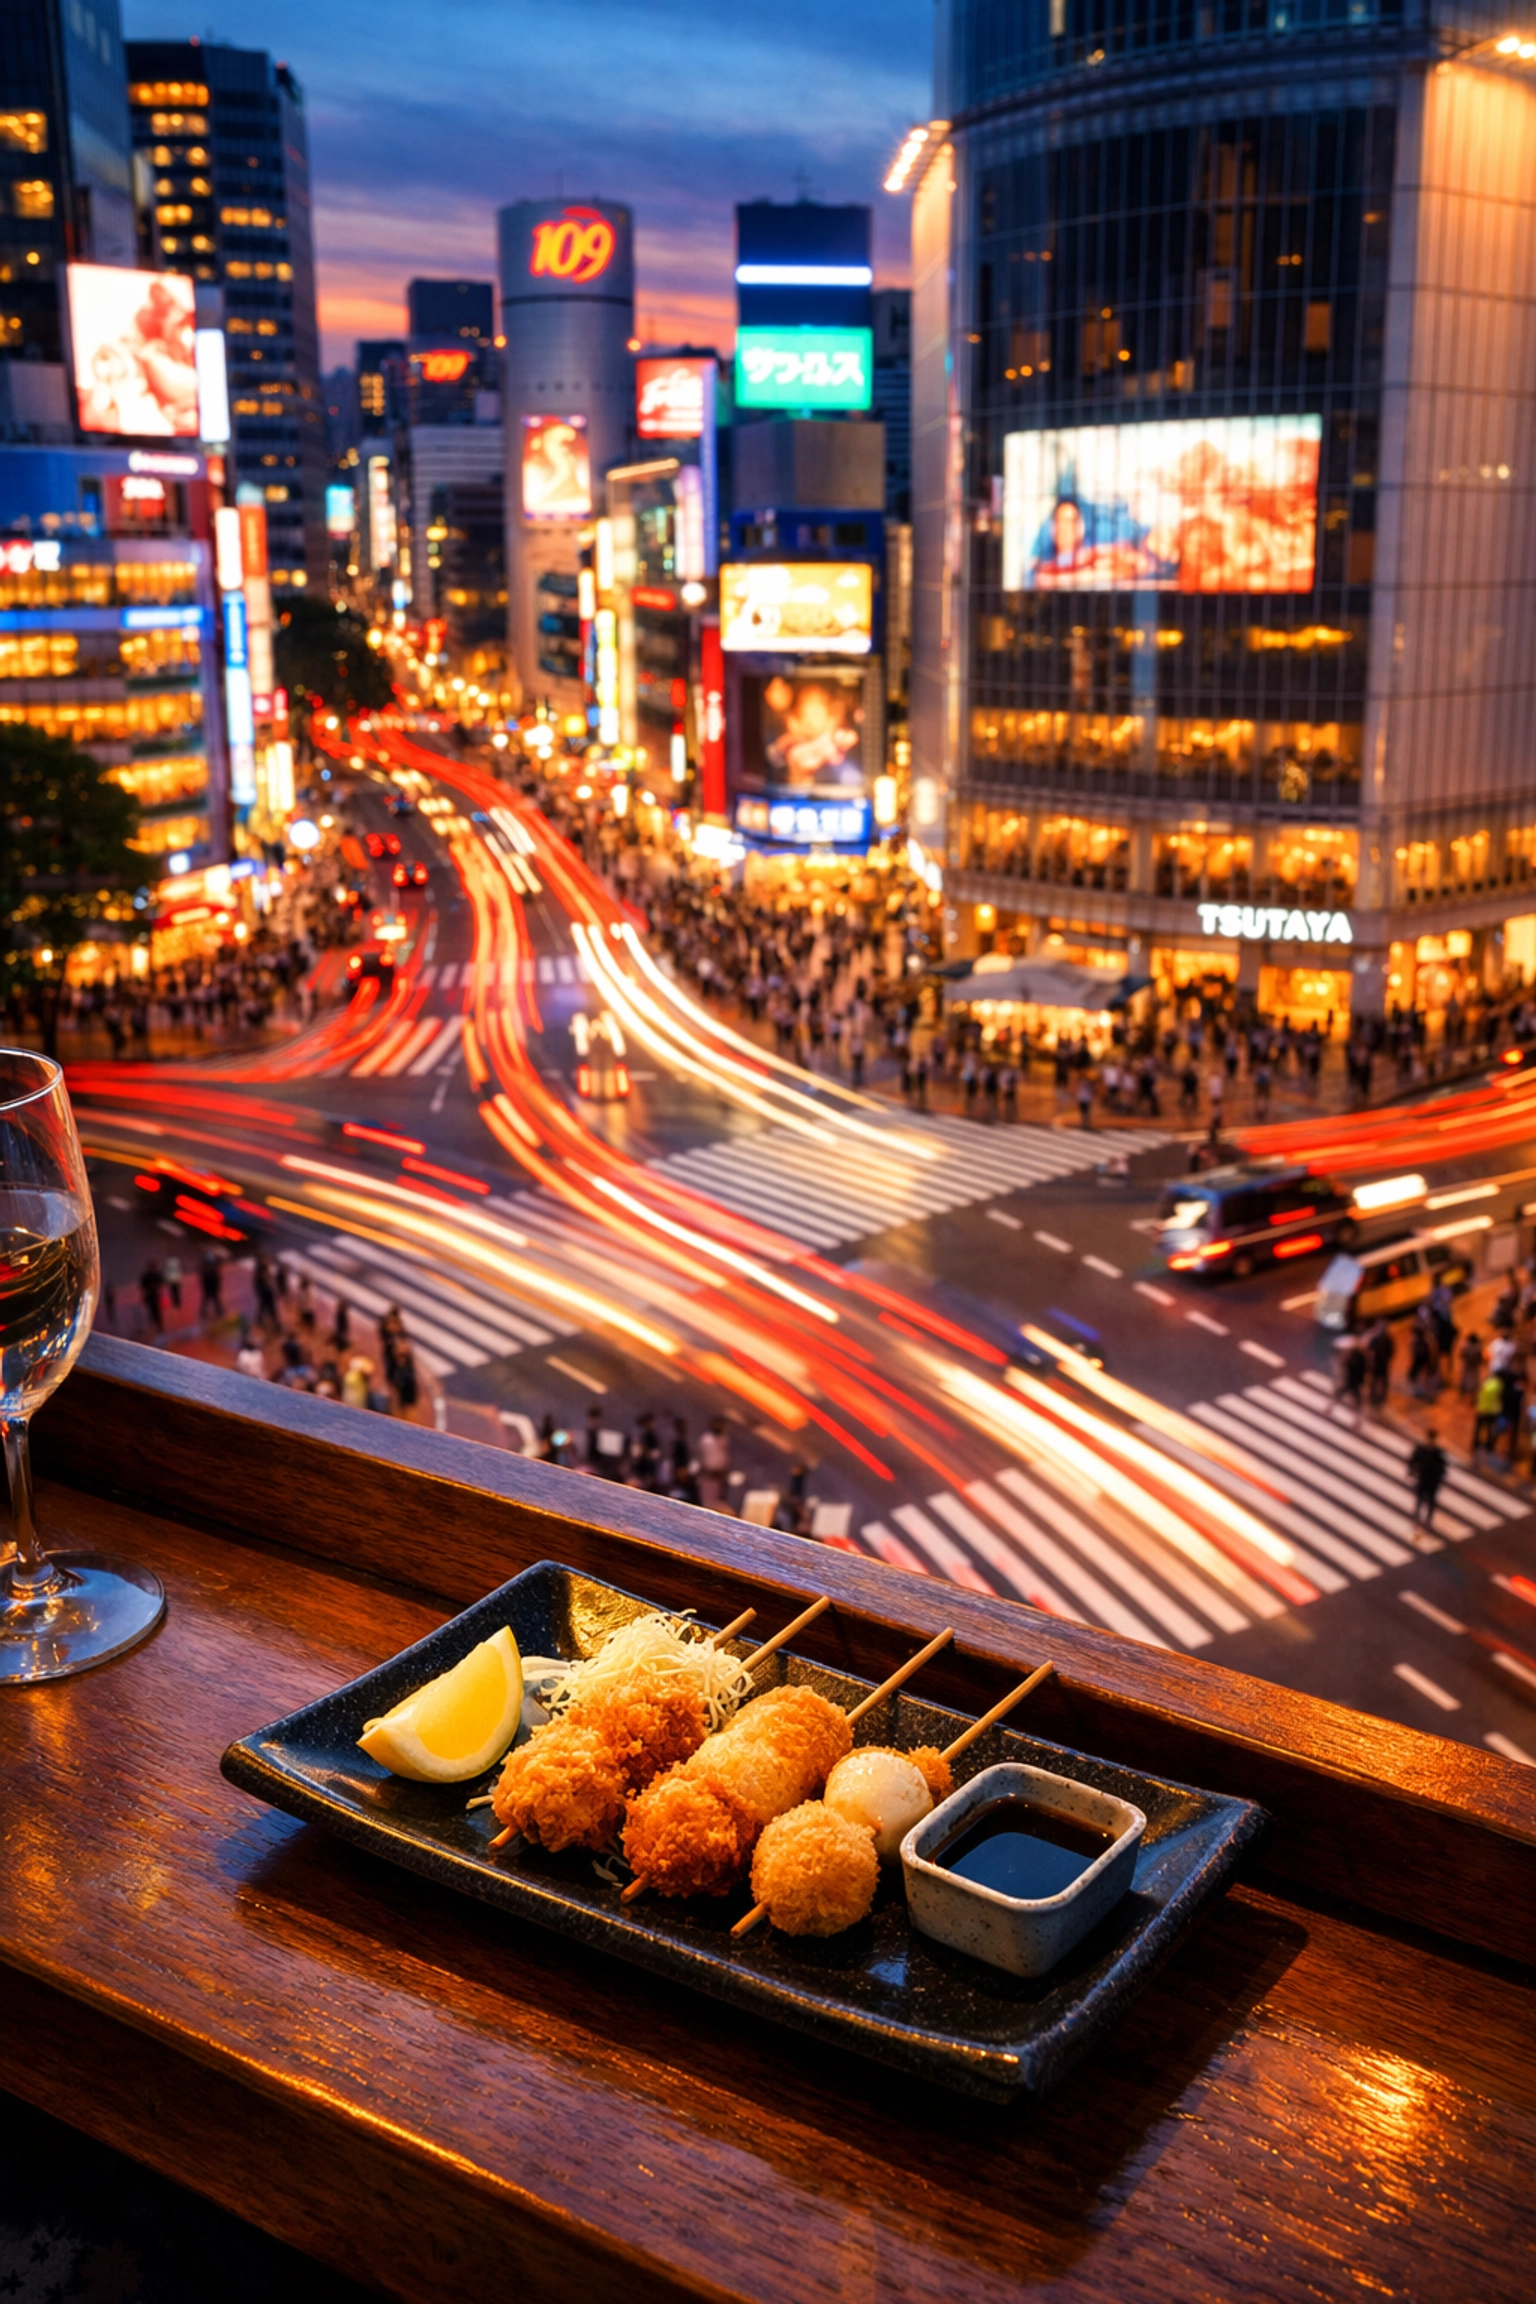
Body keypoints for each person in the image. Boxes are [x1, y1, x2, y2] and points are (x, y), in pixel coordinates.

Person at [1407, 1428, 1447, 1543]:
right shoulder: (1421, 1450)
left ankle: (1427, 1521)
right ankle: (1417, 1519)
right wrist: (1411, 1472)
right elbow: (1412, 1461)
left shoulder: (1438, 1453)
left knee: (1430, 1503)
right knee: (1419, 1501)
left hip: (1432, 1483)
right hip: (1423, 1481)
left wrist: (1439, 1478)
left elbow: (1443, 1469)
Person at [697, 1415, 732, 1510]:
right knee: (706, 1504)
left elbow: (724, 1458)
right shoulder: (706, 1439)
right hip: (707, 1478)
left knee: (716, 1505)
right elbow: (702, 1459)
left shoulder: (724, 1439)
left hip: (718, 1479)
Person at [1366, 1317, 1393, 1407]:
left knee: (1384, 1381)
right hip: (1377, 1364)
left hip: (1383, 1364)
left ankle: (1381, 1398)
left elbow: (1391, 1352)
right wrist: (1371, 1362)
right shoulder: (1375, 1339)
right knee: (1375, 1380)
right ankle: (1373, 1396)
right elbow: (1370, 1351)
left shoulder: (1388, 1339)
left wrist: (1387, 1360)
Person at [139, 1258, 165, 1336]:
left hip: (154, 1296)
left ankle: (158, 1326)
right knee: (153, 1311)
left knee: (156, 1311)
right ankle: (156, 1325)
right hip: (151, 1296)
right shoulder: (148, 1276)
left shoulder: (155, 1275)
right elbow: (143, 1287)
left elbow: (161, 1283)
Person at [200, 1250, 224, 1318]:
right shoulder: (211, 1270)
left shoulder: (205, 1270)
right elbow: (216, 1279)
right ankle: (219, 1311)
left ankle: (218, 1311)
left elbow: (204, 1280)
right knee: (214, 1299)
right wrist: (218, 1286)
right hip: (211, 1287)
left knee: (210, 1299)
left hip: (209, 1288)